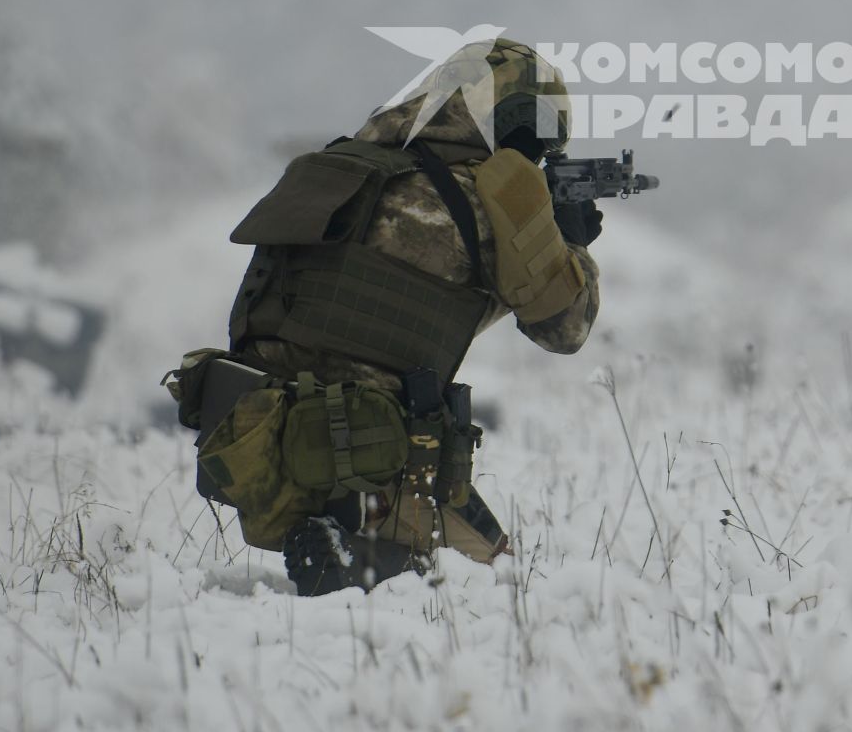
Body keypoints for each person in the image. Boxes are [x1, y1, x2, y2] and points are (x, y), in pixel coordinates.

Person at [198, 38, 602, 595]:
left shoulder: (335, 167)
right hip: (370, 446)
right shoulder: (489, 201)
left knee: (489, 560)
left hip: (253, 431)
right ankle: (360, 559)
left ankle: (339, 526)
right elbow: (565, 328)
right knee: (484, 585)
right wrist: (570, 241)